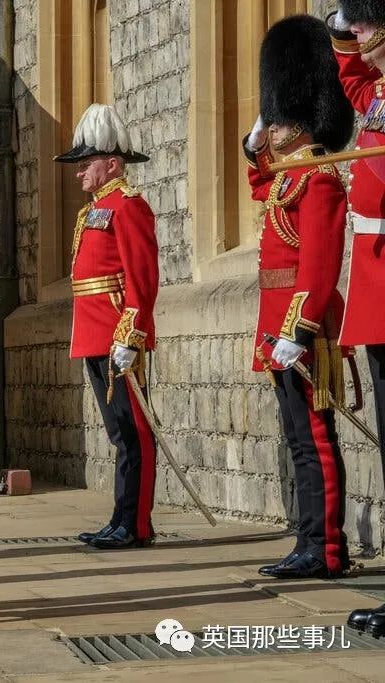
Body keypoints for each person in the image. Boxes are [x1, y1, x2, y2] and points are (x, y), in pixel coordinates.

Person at [245, 15, 353, 580]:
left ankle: (327, 548)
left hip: (301, 329)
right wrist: (257, 141)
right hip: (277, 327)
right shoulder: (290, 176)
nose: (274, 124)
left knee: (314, 438)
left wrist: (301, 327)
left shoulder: (320, 178)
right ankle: (307, 538)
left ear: (301, 117)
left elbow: (320, 266)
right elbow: (260, 181)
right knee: (297, 438)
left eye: (281, 114)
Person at [54, 104, 160, 550]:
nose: (79, 173)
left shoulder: (128, 205)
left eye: (86, 164)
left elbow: (142, 276)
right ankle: (121, 517)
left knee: (133, 432)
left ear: (112, 164)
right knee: (119, 434)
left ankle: (135, 524)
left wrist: (131, 335)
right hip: (96, 337)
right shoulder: (94, 210)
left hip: (118, 337)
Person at [327, 0, 385, 631]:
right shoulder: (376, 90)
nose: (360, 35)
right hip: (375, 284)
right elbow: (350, 72)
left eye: (371, 19)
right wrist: (347, 21)